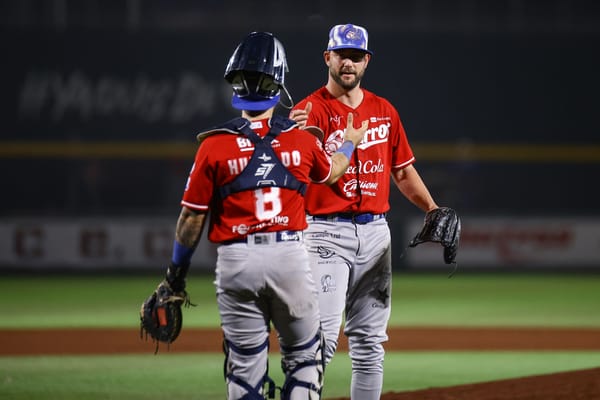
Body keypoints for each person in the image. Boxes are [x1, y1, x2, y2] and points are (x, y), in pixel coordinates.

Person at [148, 31, 367, 400]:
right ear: (279, 85)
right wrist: (349, 140)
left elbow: (190, 220)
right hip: (290, 259)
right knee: (304, 364)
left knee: (245, 372)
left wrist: (174, 278)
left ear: (235, 83)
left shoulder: (213, 146)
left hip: (236, 260)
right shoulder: (302, 140)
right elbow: (331, 172)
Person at [291, 24, 444, 400]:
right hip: (325, 234)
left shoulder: (384, 111)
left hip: (375, 234)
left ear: (366, 62)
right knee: (320, 342)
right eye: (341, 54)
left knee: (370, 346)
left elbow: (403, 171)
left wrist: (432, 208)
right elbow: (312, 169)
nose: (348, 62)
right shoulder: (308, 111)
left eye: (356, 56)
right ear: (327, 57)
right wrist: (291, 132)